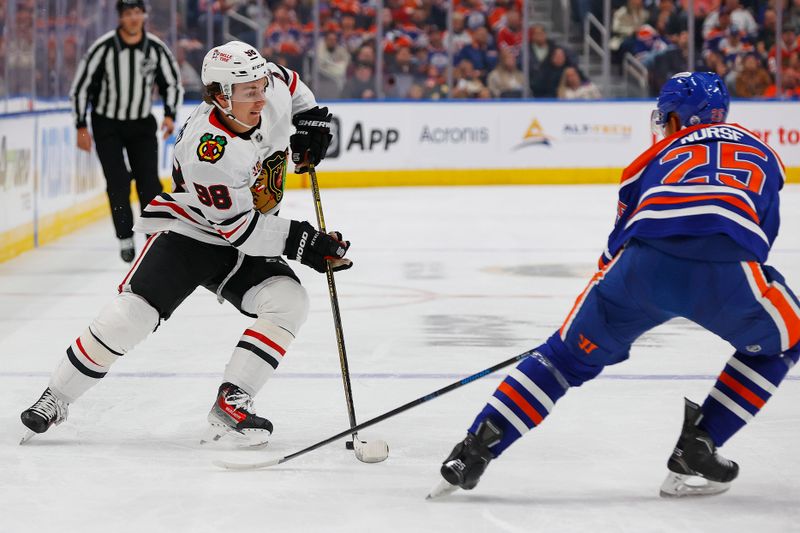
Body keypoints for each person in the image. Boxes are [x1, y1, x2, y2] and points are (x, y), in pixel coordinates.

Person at [431, 72, 799, 499]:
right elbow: (761, 236)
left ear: (679, 118)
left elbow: (616, 244)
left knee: (560, 360)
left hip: (640, 269)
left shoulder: (649, 158)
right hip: (727, 270)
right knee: (788, 338)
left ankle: (471, 452)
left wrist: (582, 330)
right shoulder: (764, 152)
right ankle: (699, 444)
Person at [19, 41, 349, 448]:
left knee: (289, 301)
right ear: (218, 95)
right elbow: (240, 232)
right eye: (249, 92)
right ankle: (57, 396)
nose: (261, 98)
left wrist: (311, 121)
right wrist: (306, 242)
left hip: (247, 231)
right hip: (191, 235)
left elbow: (295, 87)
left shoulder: (269, 89)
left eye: (261, 85)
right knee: (131, 316)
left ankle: (232, 402)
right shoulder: (208, 150)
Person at [70, 0, 183, 263]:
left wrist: (169, 115)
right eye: (128, 13)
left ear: (143, 15)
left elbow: (172, 82)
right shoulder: (104, 49)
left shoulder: (155, 48)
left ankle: (152, 237)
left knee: (149, 184)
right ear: (120, 17)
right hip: (107, 124)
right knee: (118, 182)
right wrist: (80, 125)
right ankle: (125, 237)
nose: (133, 18)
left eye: (137, 12)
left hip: (141, 123)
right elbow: (80, 88)